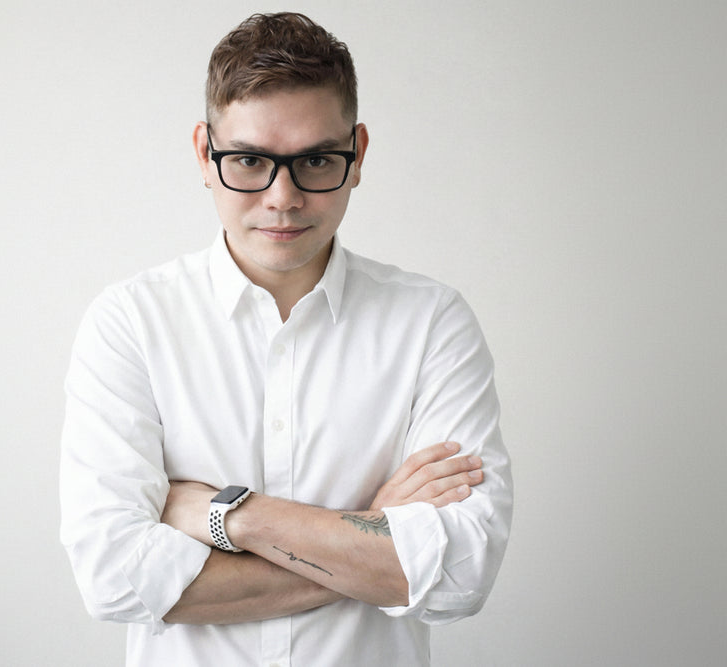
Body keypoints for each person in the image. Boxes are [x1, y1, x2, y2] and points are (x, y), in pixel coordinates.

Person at [60, 12, 512, 667]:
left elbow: (459, 574)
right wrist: (372, 539)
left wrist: (232, 516)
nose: (283, 197)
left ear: (356, 155)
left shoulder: (432, 323)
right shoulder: (128, 323)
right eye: (249, 159)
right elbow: (113, 574)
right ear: (203, 154)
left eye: (316, 160)